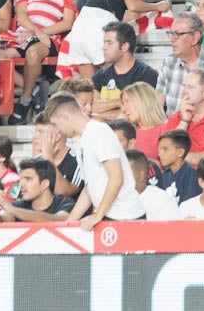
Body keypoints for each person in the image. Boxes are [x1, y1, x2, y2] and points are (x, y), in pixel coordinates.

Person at [43, 94, 145, 227]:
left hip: (125, 217)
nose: (59, 131)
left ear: (65, 117)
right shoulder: (83, 140)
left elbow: (116, 177)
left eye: (56, 124)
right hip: (110, 216)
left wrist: (98, 215)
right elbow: (89, 188)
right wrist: (69, 223)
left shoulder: (98, 132)